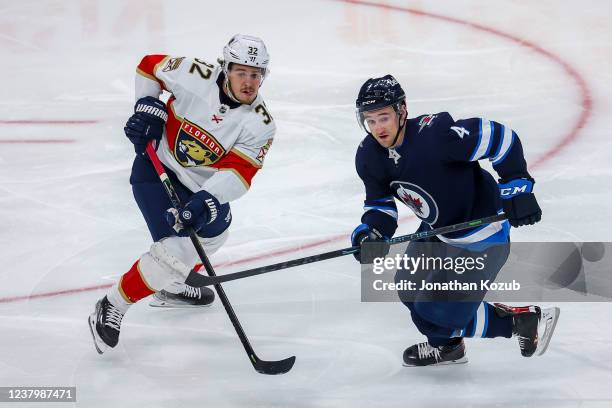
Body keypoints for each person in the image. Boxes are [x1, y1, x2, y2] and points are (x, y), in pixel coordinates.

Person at [351, 74, 559, 366]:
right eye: (369, 121)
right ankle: (449, 348)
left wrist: (517, 186)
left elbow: (501, 138)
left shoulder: (436, 136)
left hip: (482, 235)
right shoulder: (369, 155)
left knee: (434, 312)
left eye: (383, 117)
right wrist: (371, 233)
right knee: (409, 290)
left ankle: (521, 322)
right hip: (438, 230)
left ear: (402, 110)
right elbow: (380, 205)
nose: (377, 128)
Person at [88, 34, 276, 354]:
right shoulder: (193, 75)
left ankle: (172, 286)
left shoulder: (260, 124)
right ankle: (111, 305)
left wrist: (205, 199)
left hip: (199, 186)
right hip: (156, 169)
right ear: (225, 68)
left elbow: (239, 173)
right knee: (173, 252)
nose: (249, 82)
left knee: (216, 233)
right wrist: (146, 106)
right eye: (241, 72)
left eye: (256, 75)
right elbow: (149, 67)